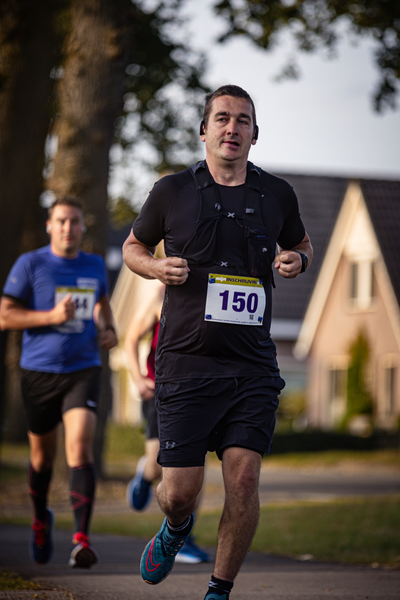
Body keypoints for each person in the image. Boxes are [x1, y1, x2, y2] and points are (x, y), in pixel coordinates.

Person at [122, 85, 313, 599]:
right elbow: (133, 246)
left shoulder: (277, 195)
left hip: (251, 367)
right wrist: (156, 266)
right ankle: (177, 527)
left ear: (255, 134)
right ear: (204, 130)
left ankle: (218, 591)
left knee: (244, 480)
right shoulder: (172, 191)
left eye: (243, 120)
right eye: (222, 118)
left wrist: (298, 259)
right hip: (185, 361)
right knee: (179, 493)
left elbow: (300, 243)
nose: (233, 128)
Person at [0, 197, 117, 569]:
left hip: (83, 369)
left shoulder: (95, 264)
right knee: (41, 458)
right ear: (50, 226)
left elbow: (101, 303)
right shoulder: (30, 263)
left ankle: (81, 539)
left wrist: (108, 328)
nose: (69, 228)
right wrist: (50, 315)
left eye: (75, 221)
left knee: (80, 450)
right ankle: (39, 519)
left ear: (84, 227)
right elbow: (5, 316)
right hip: (39, 372)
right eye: (61, 221)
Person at [124, 277, 210, 563]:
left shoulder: (211, 292)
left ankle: (185, 538)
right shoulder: (161, 296)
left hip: (195, 392)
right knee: (158, 465)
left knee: (194, 467)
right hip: (159, 390)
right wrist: (138, 379)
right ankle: (144, 475)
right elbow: (131, 338)